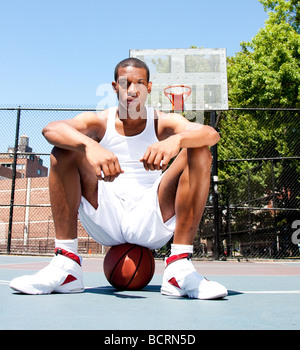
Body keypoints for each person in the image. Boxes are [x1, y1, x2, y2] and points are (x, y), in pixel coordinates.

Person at [10, 57, 227, 299]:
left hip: (152, 214)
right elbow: (51, 129)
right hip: (106, 212)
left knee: (199, 150)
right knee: (64, 150)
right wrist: (89, 145)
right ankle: (66, 264)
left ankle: (179, 267)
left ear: (149, 87)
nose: (132, 90)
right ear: (115, 87)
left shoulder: (162, 122)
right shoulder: (100, 121)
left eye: (140, 83)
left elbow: (211, 134)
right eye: (125, 84)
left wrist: (176, 140)